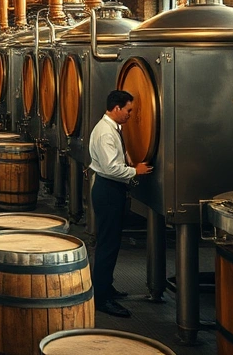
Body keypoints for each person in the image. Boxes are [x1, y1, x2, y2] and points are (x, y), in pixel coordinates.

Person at [89, 90, 152, 318]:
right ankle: (102, 298)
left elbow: (117, 154)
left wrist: (128, 158)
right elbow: (110, 168)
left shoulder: (113, 128)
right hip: (107, 190)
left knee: (112, 243)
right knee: (107, 244)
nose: (129, 115)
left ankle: (106, 286)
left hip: (110, 189)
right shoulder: (106, 133)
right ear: (116, 108)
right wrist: (136, 170)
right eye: (128, 110)